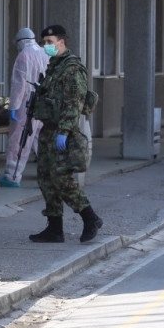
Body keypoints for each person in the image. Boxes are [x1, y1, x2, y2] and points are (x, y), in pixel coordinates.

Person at [27, 24, 103, 244]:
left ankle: (90, 218)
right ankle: (54, 228)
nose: (46, 46)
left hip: (63, 131)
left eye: (50, 42)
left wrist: (65, 131)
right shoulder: (55, 65)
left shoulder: (71, 68)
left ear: (62, 42)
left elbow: (74, 102)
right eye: (44, 42)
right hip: (48, 129)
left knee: (62, 179)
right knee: (46, 178)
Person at [0, 27, 49, 187]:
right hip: (43, 103)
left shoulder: (24, 55)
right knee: (39, 139)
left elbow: (19, 84)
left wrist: (13, 106)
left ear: (20, 41)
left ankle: (12, 176)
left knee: (19, 140)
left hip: (26, 103)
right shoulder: (44, 53)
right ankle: (48, 174)